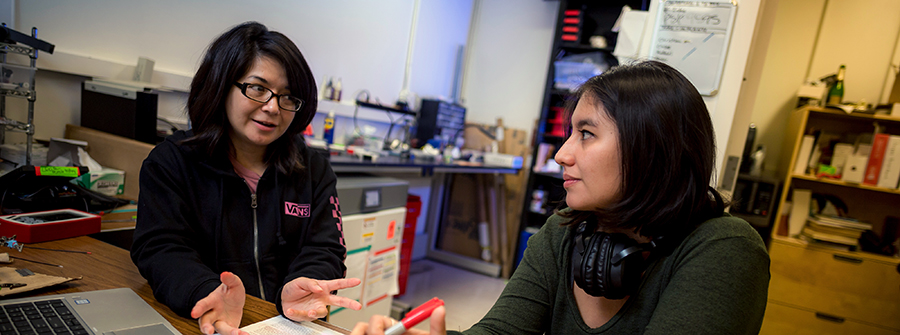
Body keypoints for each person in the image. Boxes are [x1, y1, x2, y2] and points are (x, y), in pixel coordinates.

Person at [351, 60, 770, 335]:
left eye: (586, 134)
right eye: (569, 132)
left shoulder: (723, 248)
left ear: (651, 148)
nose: (561, 153)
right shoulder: (566, 229)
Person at [131, 22, 361, 335]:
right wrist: (203, 289)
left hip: (289, 324)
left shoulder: (314, 170)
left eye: (288, 96)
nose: (272, 108)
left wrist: (303, 283)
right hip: (207, 322)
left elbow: (326, 249)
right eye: (257, 88)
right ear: (222, 85)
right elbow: (159, 247)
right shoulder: (171, 162)